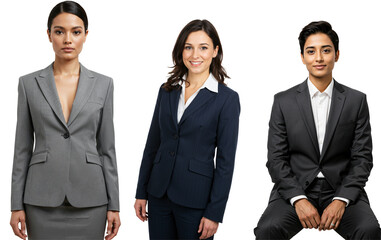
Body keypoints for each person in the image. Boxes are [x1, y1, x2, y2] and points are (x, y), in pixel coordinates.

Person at [254, 20, 381, 239]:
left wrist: (341, 200)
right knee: (268, 229)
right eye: (311, 51)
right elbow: (276, 159)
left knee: (369, 230)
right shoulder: (283, 101)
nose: (319, 58)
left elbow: (362, 159)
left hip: (341, 187)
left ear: (337, 55)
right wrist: (299, 199)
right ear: (302, 57)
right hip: (296, 188)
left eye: (326, 50)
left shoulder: (356, 101)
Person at [9, 1, 120, 239]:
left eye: (76, 32)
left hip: (91, 199)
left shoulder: (104, 84)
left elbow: (107, 150)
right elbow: (22, 149)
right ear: (49, 35)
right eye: (59, 31)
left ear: (85, 35)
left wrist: (114, 205)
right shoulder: (28, 84)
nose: (68, 39)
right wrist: (16, 204)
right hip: (40, 199)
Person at [134, 19, 240, 240]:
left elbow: (225, 162)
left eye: (203, 47)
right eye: (188, 47)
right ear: (181, 50)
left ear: (215, 51)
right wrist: (141, 192)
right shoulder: (167, 91)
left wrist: (215, 213)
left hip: (196, 201)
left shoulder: (227, 99)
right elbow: (153, 144)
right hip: (158, 194)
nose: (195, 55)